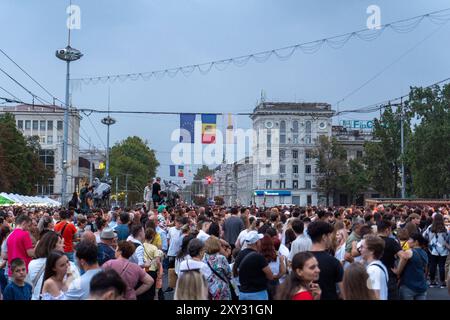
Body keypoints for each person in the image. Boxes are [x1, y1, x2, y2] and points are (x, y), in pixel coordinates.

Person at [26, 231, 80, 300]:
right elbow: (76, 288)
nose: (63, 245)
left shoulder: (32, 264)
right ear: (52, 247)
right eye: (60, 243)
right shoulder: (68, 265)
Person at [307, 220, 344, 300]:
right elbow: (343, 292)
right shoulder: (334, 262)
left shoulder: (301, 259)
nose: (331, 239)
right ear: (324, 237)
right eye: (330, 236)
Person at [233, 231, 274, 300]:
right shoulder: (259, 257)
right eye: (259, 241)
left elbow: (235, 272)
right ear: (256, 243)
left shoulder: (240, 254)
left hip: (243, 293)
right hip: (258, 293)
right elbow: (270, 276)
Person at [393, 233, 429, 300]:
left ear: (416, 242)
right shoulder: (425, 253)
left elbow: (404, 258)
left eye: (410, 239)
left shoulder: (409, 252)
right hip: (422, 286)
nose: (407, 241)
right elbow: (426, 270)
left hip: (408, 286)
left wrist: (397, 271)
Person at [377, 219, 405, 300]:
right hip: (389, 275)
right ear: (387, 230)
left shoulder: (370, 240)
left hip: (372, 274)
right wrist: (398, 271)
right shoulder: (391, 241)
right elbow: (404, 256)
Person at [422, 213, 450, 288]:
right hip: (443, 250)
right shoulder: (445, 229)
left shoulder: (430, 227)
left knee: (432, 265)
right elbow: (448, 239)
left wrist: (429, 242)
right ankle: (443, 282)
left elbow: (424, 236)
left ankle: (432, 282)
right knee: (442, 266)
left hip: (432, 250)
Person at [203, 236, 233, 300]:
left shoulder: (204, 258)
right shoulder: (221, 258)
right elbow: (229, 274)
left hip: (209, 288)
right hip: (222, 289)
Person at [360, 234, 389, 300]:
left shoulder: (373, 270)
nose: (360, 249)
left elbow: (375, 296)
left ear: (372, 251)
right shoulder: (380, 266)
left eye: (362, 247)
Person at [141, 227, 163, 300]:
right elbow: (157, 261)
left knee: (143, 290)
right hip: (152, 270)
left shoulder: (141, 246)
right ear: (152, 237)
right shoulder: (154, 248)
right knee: (151, 291)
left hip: (142, 270)